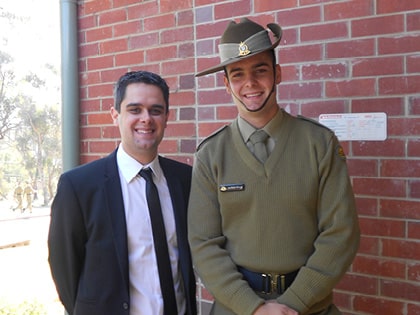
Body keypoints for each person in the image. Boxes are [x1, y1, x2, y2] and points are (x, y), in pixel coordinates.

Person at [188, 18, 360, 315]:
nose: (250, 83)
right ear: (226, 83)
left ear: (277, 74)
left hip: (309, 306)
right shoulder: (211, 154)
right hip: (236, 308)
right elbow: (204, 244)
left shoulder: (319, 143)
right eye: (238, 74)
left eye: (261, 70)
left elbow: (341, 233)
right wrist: (253, 308)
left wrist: (293, 304)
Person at [48, 71, 197, 315]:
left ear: (167, 118)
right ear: (115, 115)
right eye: (135, 109)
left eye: (155, 110)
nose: (146, 119)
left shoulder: (185, 180)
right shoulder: (78, 186)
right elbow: (64, 270)